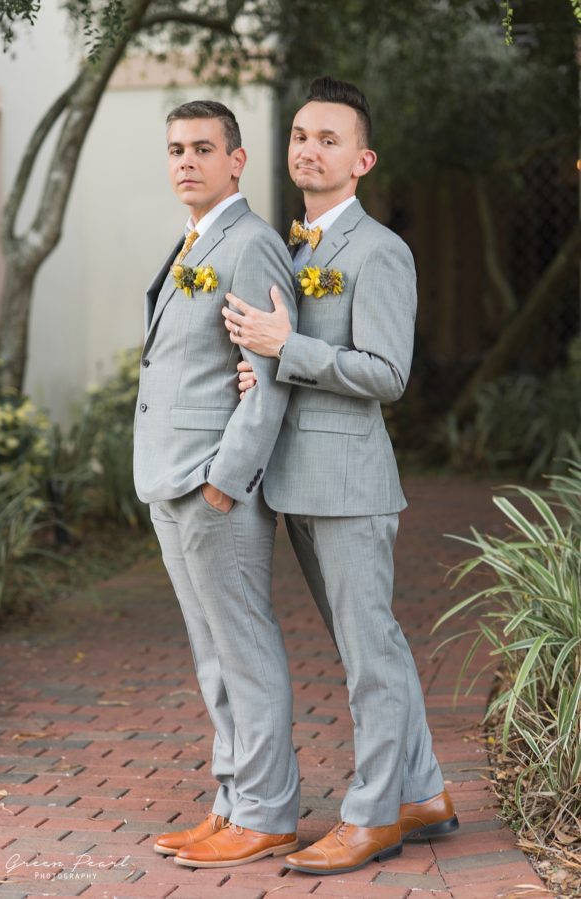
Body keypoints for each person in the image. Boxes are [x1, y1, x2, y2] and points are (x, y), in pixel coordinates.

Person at [219, 76, 459, 876]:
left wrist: (286, 348)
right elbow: (289, 358)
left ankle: (374, 814)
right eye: (299, 136)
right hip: (296, 479)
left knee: (370, 656)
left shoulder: (380, 249)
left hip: (351, 483)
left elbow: (387, 373)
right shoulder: (293, 250)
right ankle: (424, 792)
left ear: (363, 159)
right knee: (371, 648)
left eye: (329, 139)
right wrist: (263, 368)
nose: (309, 150)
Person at [133, 100, 301, 868]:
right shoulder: (195, 239)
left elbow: (269, 375)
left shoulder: (252, 243)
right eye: (176, 149)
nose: (186, 161)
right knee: (213, 655)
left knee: (244, 647)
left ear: (237, 160)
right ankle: (233, 799)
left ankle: (267, 811)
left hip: (212, 482)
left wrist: (224, 482)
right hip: (169, 478)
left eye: (203, 148)